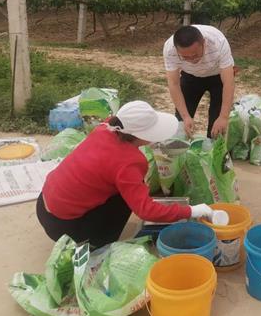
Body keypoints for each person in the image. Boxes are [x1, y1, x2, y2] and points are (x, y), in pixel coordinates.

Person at [36, 101, 214, 248]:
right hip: (65, 227)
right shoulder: (129, 162)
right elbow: (146, 210)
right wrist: (192, 210)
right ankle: (97, 242)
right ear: (141, 135)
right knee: (127, 197)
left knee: (122, 186)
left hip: (44, 205)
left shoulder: (105, 128)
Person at [163, 25, 235, 138]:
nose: (192, 60)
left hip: (218, 77)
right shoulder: (169, 49)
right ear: (176, 50)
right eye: (185, 57)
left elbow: (228, 82)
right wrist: (186, 116)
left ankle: (214, 149)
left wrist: (224, 117)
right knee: (182, 123)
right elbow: (173, 84)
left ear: (204, 43)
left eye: (195, 55)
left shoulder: (218, 41)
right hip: (190, 76)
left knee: (217, 126)